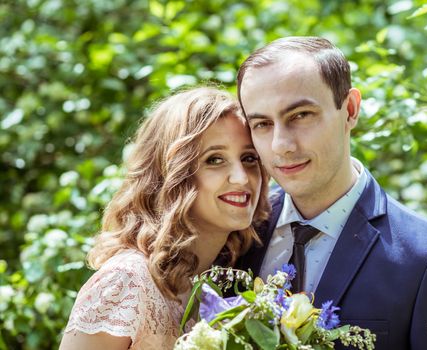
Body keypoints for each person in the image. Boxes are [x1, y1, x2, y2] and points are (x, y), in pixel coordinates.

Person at [236, 37, 427, 349]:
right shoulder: (237, 233)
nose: (281, 145)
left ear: (350, 109)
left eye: (300, 115)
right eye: (262, 124)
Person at [59, 87, 270, 350]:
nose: (241, 177)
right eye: (215, 159)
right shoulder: (126, 282)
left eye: (249, 158)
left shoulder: (228, 281)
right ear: (171, 174)